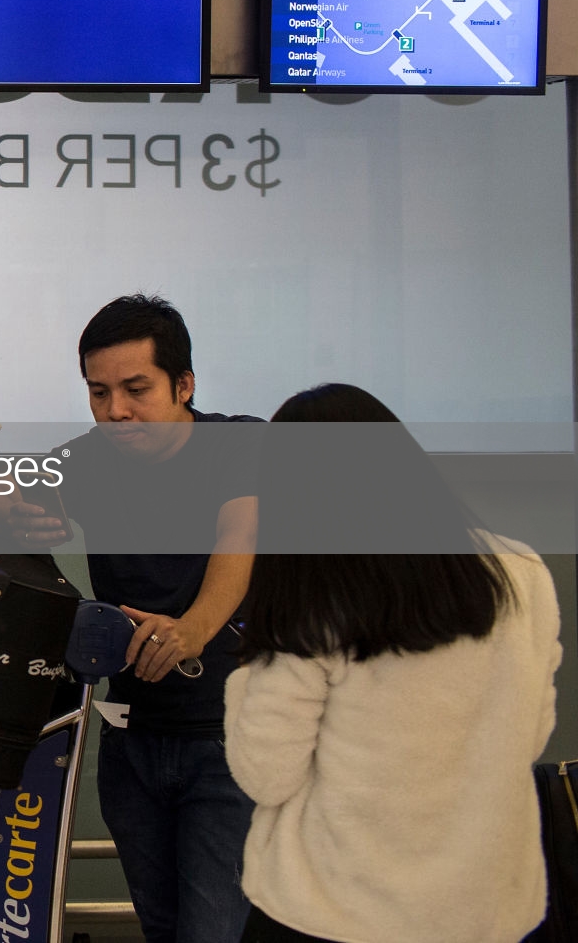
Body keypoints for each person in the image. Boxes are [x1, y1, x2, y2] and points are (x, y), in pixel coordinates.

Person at [225, 383, 562, 943]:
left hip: (335, 910)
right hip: (486, 908)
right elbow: (532, 733)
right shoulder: (520, 572)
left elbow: (266, 772)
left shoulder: (314, 601)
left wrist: (247, 675)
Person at [10, 294, 259, 943]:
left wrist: (192, 629)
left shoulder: (240, 445)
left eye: (136, 389)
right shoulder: (88, 459)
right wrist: (16, 515)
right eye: (98, 393)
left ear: (185, 385)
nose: (116, 411)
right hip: (131, 738)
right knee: (162, 927)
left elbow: (240, 539)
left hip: (230, 740)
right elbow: (4, 500)